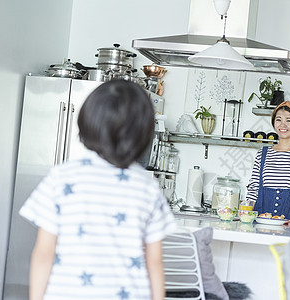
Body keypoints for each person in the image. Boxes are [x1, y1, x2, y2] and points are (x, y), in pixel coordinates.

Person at [20, 80, 176, 300]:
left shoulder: (61, 177)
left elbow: (44, 252)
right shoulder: (147, 186)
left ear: (87, 121)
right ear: (143, 132)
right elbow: (155, 262)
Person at [245, 101, 290, 226]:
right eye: (278, 119)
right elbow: (253, 191)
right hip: (258, 226)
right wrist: (245, 217)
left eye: (289, 120)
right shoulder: (262, 154)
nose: (282, 125)